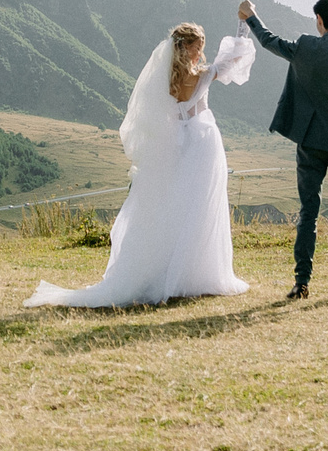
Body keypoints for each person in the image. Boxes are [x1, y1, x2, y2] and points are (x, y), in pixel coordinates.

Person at [25, 23, 256, 308]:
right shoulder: (200, 77)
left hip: (177, 147)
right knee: (202, 206)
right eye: (197, 48)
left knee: (177, 206)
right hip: (202, 145)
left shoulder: (166, 81)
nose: (201, 53)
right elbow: (232, 62)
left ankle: (173, 270)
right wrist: (243, 26)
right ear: (185, 48)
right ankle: (196, 274)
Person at [237, 0, 328, 301]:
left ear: (319, 20)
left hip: (311, 143)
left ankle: (301, 283)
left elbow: (269, 41)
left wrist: (250, 15)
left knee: (308, 213)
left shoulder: (305, 47)